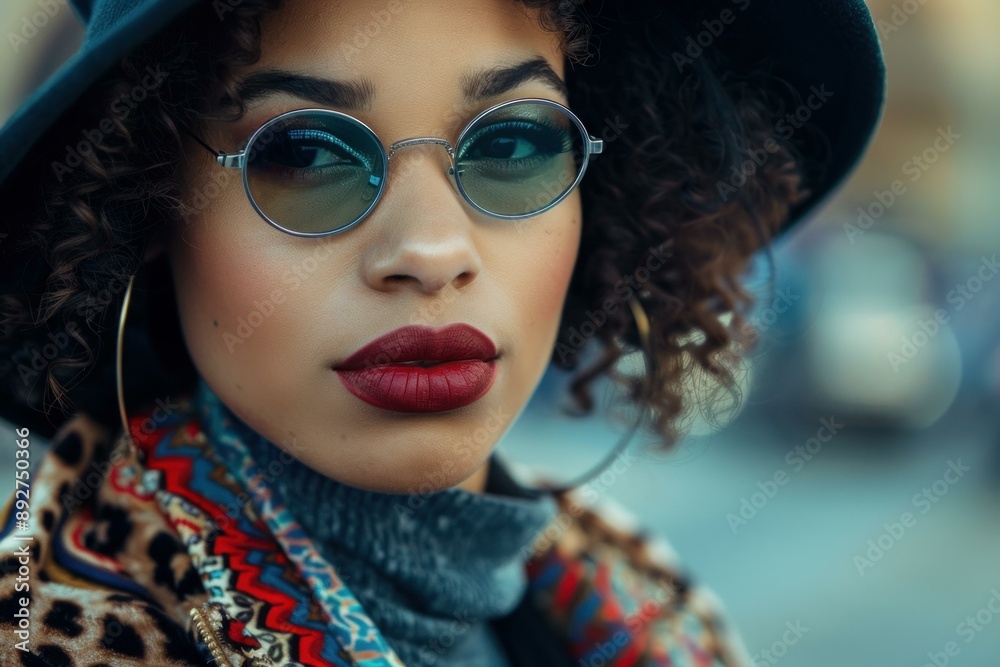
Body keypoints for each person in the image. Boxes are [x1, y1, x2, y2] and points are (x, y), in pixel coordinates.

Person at [0, 0, 885, 664]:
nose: (430, 250)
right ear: (148, 205)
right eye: (303, 152)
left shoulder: (658, 619)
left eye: (512, 144)